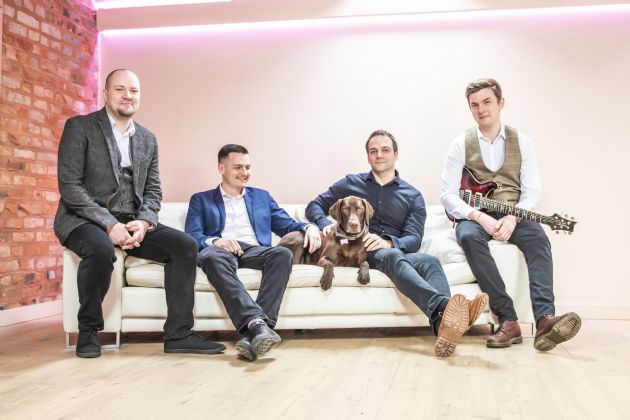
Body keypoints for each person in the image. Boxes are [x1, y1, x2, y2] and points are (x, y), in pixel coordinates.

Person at [55, 69, 226, 358]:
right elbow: (70, 187)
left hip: (130, 219)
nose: (127, 96)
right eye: (119, 89)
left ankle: (179, 334)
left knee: (185, 246)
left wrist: (145, 221)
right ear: (105, 94)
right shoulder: (80, 127)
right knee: (100, 250)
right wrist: (109, 225)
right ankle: (88, 330)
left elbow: (153, 189)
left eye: (133, 91)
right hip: (83, 220)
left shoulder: (148, 138)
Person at [306, 130, 488, 357]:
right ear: (368, 156)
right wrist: (324, 223)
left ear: (396, 154)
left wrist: (388, 242)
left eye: (385, 150)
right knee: (390, 256)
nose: (379, 155)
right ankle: (446, 308)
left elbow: (413, 239)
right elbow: (314, 205)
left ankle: (443, 327)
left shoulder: (412, 195)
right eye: (373, 151)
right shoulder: (350, 184)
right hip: (360, 251)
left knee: (429, 261)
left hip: (393, 249)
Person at [441, 78, 581, 351]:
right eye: (474, 105)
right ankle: (508, 320)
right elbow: (448, 194)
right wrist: (478, 217)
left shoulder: (523, 142)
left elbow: (531, 192)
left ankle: (545, 319)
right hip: (475, 214)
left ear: (501, 103)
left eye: (487, 102)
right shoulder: (460, 144)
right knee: (468, 237)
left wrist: (513, 218)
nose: (481, 109)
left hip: (513, 212)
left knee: (538, 238)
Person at [185, 144, 321, 361]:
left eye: (248, 167)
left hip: (253, 250)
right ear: (221, 168)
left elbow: (286, 224)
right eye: (238, 167)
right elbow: (192, 235)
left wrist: (309, 226)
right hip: (219, 250)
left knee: (282, 254)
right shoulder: (201, 199)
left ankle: (255, 331)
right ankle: (258, 327)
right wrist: (217, 241)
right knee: (211, 258)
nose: (245, 172)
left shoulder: (262, 197)